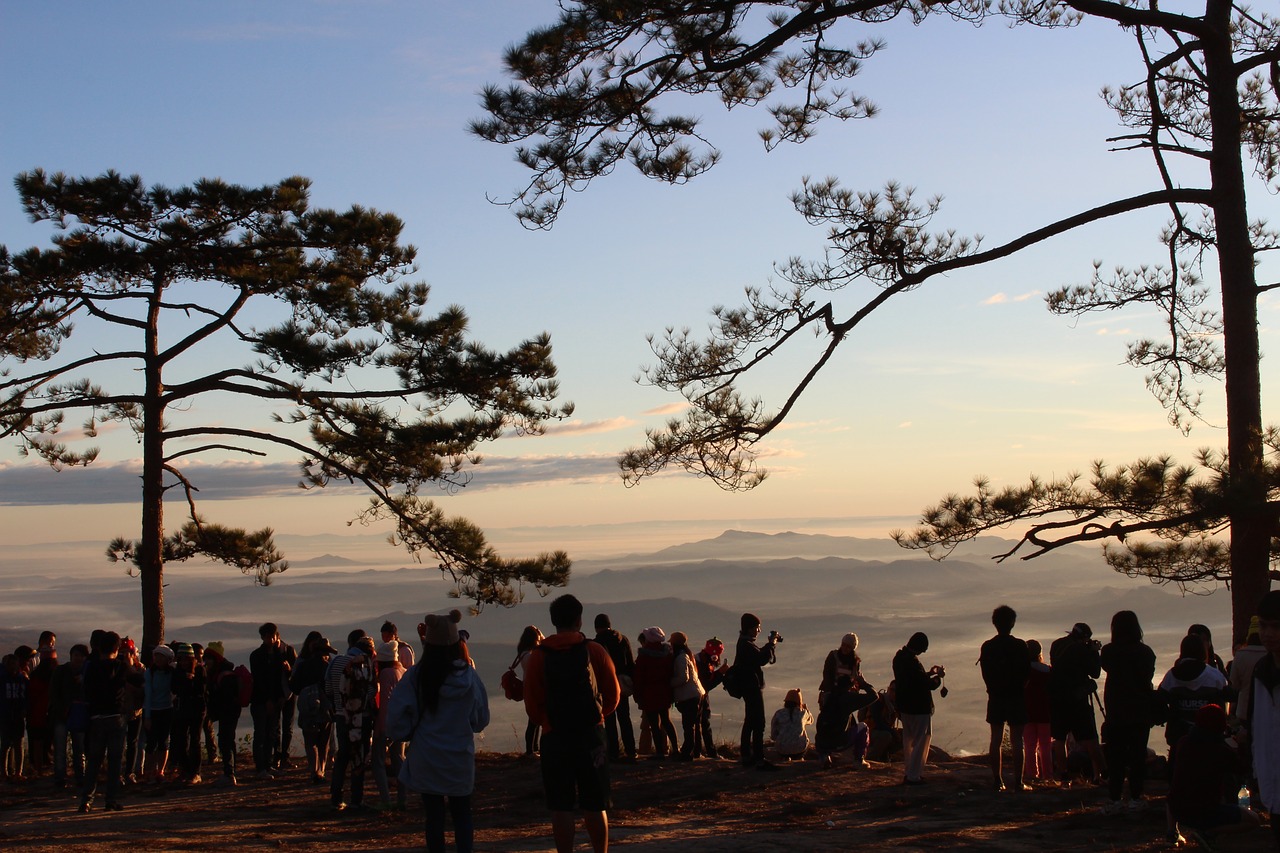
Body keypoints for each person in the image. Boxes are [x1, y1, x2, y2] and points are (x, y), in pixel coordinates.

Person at [522, 593, 620, 853]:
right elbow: (613, 695)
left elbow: (532, 704)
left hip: (555, 738)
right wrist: (597, 716)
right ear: (579, 619)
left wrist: (548, 721)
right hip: (591, 735)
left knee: (561, 806)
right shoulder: (594, 650)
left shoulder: (539, 657)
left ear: (554, 621)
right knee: (595, 803)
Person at [388, 610, 489, 853]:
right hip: (459, 758)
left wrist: (411, 731)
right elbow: (481, 719)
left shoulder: (416, 676)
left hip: (427, 757)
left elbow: (394, 720)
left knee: (433, 819)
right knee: (462, 816)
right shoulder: (469, 676)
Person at [1167, 704, 1260, 845]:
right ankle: (1208, 833)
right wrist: (1241, 745)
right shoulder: (1220, 750)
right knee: (1253, 820)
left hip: (1177, 808)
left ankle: (1171, 832)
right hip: (1205, 811)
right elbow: (1243, 768)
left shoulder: (1183, 742)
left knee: (1174, 790)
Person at [1098, 610, 1157, 814]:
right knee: (1137, 755)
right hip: (1140, 709)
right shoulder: (1145, 652)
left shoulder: (1108, 651)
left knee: (1115, 757)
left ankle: (1114, 799)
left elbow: (1103, 667)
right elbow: (1148, 676)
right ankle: (1135, 796)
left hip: (1115, 710)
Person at [1158, 632, 1231, 771]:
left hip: (1179, 734)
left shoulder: (1171, 675)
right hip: (1210, 736)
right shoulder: (1214, 675)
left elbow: (1161, 698)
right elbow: (1228, 693)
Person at [978, 605, 1031, 792]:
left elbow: (985, 674)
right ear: (1013, 623)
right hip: (1016, 696)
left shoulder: (988, 646)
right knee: (1018, 740)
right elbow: (1027, 673)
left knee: (996, 739)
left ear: (994, 623)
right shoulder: (1020, 646)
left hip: (996, 697)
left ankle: (997, 781)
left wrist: (992, 689)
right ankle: (1018, 782)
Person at [325, 629, 377, 813]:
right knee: (359, 757)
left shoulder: (336, 661)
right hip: (360, 717)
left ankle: (336, 798)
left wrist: (339, 704)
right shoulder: (366, 663)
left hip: (340, 716)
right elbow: (371, 691)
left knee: (342, 757)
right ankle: (356, 799)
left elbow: (328, 688)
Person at [77, 631, 128, 813]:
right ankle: (111, 800)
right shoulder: (120, 666)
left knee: (94, 761)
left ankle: (86, 800)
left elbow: (86, 690)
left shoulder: (90, 667)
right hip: (115, 716)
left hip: (96, 717)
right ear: (117, 648)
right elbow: (134, 681)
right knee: (115, 762)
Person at [1048, 622, 1104, 785]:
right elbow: (1094, 672)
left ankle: (1063, 775)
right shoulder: (1081, 650)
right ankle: (1098, 776)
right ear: (1084, 638)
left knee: (1059, 737)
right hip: (1077, 699)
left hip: (1057, 698)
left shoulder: (1057, 645)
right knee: (1090, 737)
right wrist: (1094, 653)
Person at [1248, 589, 1280, 851]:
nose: (1268, 634)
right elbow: (1258, 726)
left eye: (1276, 627)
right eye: (1264, 626)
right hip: (1273, 785)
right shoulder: (1261, 671)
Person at [892, 632, 944, 785]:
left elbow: (915, 679)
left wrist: (928, 673)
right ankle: (914, 775)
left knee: (908, 740)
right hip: (919, 707)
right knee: (921, 740)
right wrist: (938, 678)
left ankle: (909, 772)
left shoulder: (899, 658)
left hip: (904, 706)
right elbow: (924, 684)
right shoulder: (912, 662)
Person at [290, 633, 337, 785]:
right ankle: (321, 771)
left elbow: (295, 687)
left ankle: (313, 770)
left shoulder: (303, 666)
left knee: (310, 742)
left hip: (307, 711)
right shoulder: (328, 668)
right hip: (324, 711)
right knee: (323, 742)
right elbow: (333, 690)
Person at [734, 613, 779, 770]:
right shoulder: (746, 645)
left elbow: (759, 656)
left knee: (750, 721)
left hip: (748, 687)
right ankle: (758, 758)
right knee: (758, 723)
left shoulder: (744, 644)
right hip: (752, 687)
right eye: (757, 627)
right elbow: (761, 659)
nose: (759, 630)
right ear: (750, 628)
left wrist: (769, 646)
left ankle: (747, 755)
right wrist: (771, 644)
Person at [592, 615, 637, 763]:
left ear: (597, 627)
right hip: (622, 685)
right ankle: (631, 751)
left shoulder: (597, 643)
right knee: (625, 718)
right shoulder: (623, 639)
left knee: (609, 719)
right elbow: (630, 663)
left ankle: (613, 752)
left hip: (606, 686)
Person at [249, 622, 290, 780]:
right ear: (262, 637)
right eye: (267, 637)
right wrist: (268, 700)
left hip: (275, 700)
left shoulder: (281, 655)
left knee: (271, 734)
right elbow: (259, 680)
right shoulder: (257, 656)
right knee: (261, 734)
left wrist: (280, 697)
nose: (270, 639)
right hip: (261, 701)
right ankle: (260, 768)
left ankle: (268, 764)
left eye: (272, 636)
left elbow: (279, 680)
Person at [372, 640, 408, 811]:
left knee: (377, 761)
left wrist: (380, 727)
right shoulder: (402, 671)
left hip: (388, 724)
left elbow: (385, 702)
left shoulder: (386, 674)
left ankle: (385, 799)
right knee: (399, 759)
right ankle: (402, 799)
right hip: (402, 723)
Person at [633, 626, 677, 761]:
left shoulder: (644, 657)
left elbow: (639, 678)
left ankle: (659, 752)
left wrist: (638, 695)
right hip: (665, 692)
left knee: (654, 724)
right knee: (666, 721)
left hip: (649, 694)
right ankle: (675, 748)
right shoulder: (668, 654)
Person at [49, 643, 88, 790]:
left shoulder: (87, 673)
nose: (79, 658)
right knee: (60, 749)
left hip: (78, 715)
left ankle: (80, 777)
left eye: (82, 655)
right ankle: (60, 778)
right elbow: (53, 693)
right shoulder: (61, 671)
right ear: (71, 656)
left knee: (79, 749)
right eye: (76, 655)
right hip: (61, 716)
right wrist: (62, 709)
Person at [203, 641, 241, 787]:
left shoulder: (224, 676)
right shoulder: (221, 673)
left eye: (209, 658)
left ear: (216, 659)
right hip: (229, 712)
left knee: (226, 741)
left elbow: (226, 698)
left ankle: (229, 774)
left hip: (228, 712)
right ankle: (230, 772)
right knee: (228, 741)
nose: (206, 662)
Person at [169, 642, 206, 784]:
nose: (183, 662)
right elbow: (175, 688)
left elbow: (200, 690)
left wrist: (187, 682)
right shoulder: (177, 671)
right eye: (181, 659)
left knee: (195, 740)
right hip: (182, 708)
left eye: (186, 659)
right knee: (180, 740)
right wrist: (186, 680)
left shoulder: (199, 670)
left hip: (197, 709)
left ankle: (196, 772)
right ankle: (185, 770)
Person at [142, 643, 176, 783]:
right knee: (151, 743)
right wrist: (147, 716)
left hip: (166, 710)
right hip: (153, 710)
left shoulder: (171, 672)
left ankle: (160, 771)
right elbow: (148, 695)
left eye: (161, 657)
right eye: (156, 656)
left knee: (163, 742)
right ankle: (150, 771)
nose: (157, 659)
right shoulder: (149, 673)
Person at [668, 632, 704, 760]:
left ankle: (687, 752)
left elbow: (683, 677)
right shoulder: (687, 655)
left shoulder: (680, 657)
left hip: (688, 696)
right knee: (693, 725)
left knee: (688, 726)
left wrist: (669, 683)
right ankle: (694, 751)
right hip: (695, 693)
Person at [692, 638, 728, 760]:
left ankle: (698, 751)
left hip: (697, 696)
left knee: (699, 723)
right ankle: (708, 752)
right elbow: (706, 684)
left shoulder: (699, 659)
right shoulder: (702, 663)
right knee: (702, 723)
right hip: (699, 697)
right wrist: (720, 674)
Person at [1022, 640, 1053, 783]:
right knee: (1045, 746)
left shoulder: (1022, 671)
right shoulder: (1048, 671)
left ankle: (1031, 775)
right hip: (1045, 713)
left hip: (1027, 713)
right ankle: (1048, 776)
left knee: (1029, 746)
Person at [26, 633, 56, 779]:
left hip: (38, 712)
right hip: (46, 711)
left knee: (38, 740)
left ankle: (38, 768)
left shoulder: (36, 676)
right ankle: (43, 766)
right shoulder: (37, 663)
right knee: (45, 740)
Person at [515, 626, 544, 758]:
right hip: (533, 688)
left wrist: (539, 633)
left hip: (530, 688)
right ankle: (530, 750)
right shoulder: (529, 655)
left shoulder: (524, 653)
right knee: (533, 720)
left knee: (535, 719)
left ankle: (533, 748)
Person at [818, 632, 862, 710]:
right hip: (829, 692)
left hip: (844, 694)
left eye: (848, 646)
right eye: (843, 645)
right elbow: (826, 673)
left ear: (852, 648)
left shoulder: (855, 662)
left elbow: (854, 679)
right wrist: (830, 690)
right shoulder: (833, 656)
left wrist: (846, 690)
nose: (844, 648)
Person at [770, 688, 813, 761]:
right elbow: (811, 721)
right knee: (804, 735)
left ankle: (785, 757)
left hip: (782, 749)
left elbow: (773, 736)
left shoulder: (778, 713)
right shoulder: (803, 713)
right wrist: (806, 709)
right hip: (799, 749)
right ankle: (799, 758)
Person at [864, 681, 899, 762]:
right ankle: (871, 758)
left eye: (897, 691)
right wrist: (893, 732)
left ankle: (885, 754)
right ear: (888, 689)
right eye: (892, 690)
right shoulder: (879, 700)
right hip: (869, 731)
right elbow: (878, 722)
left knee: (904, 736)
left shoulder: (895, 705)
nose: (893, 693)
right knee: (887, 736)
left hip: (883, 731)